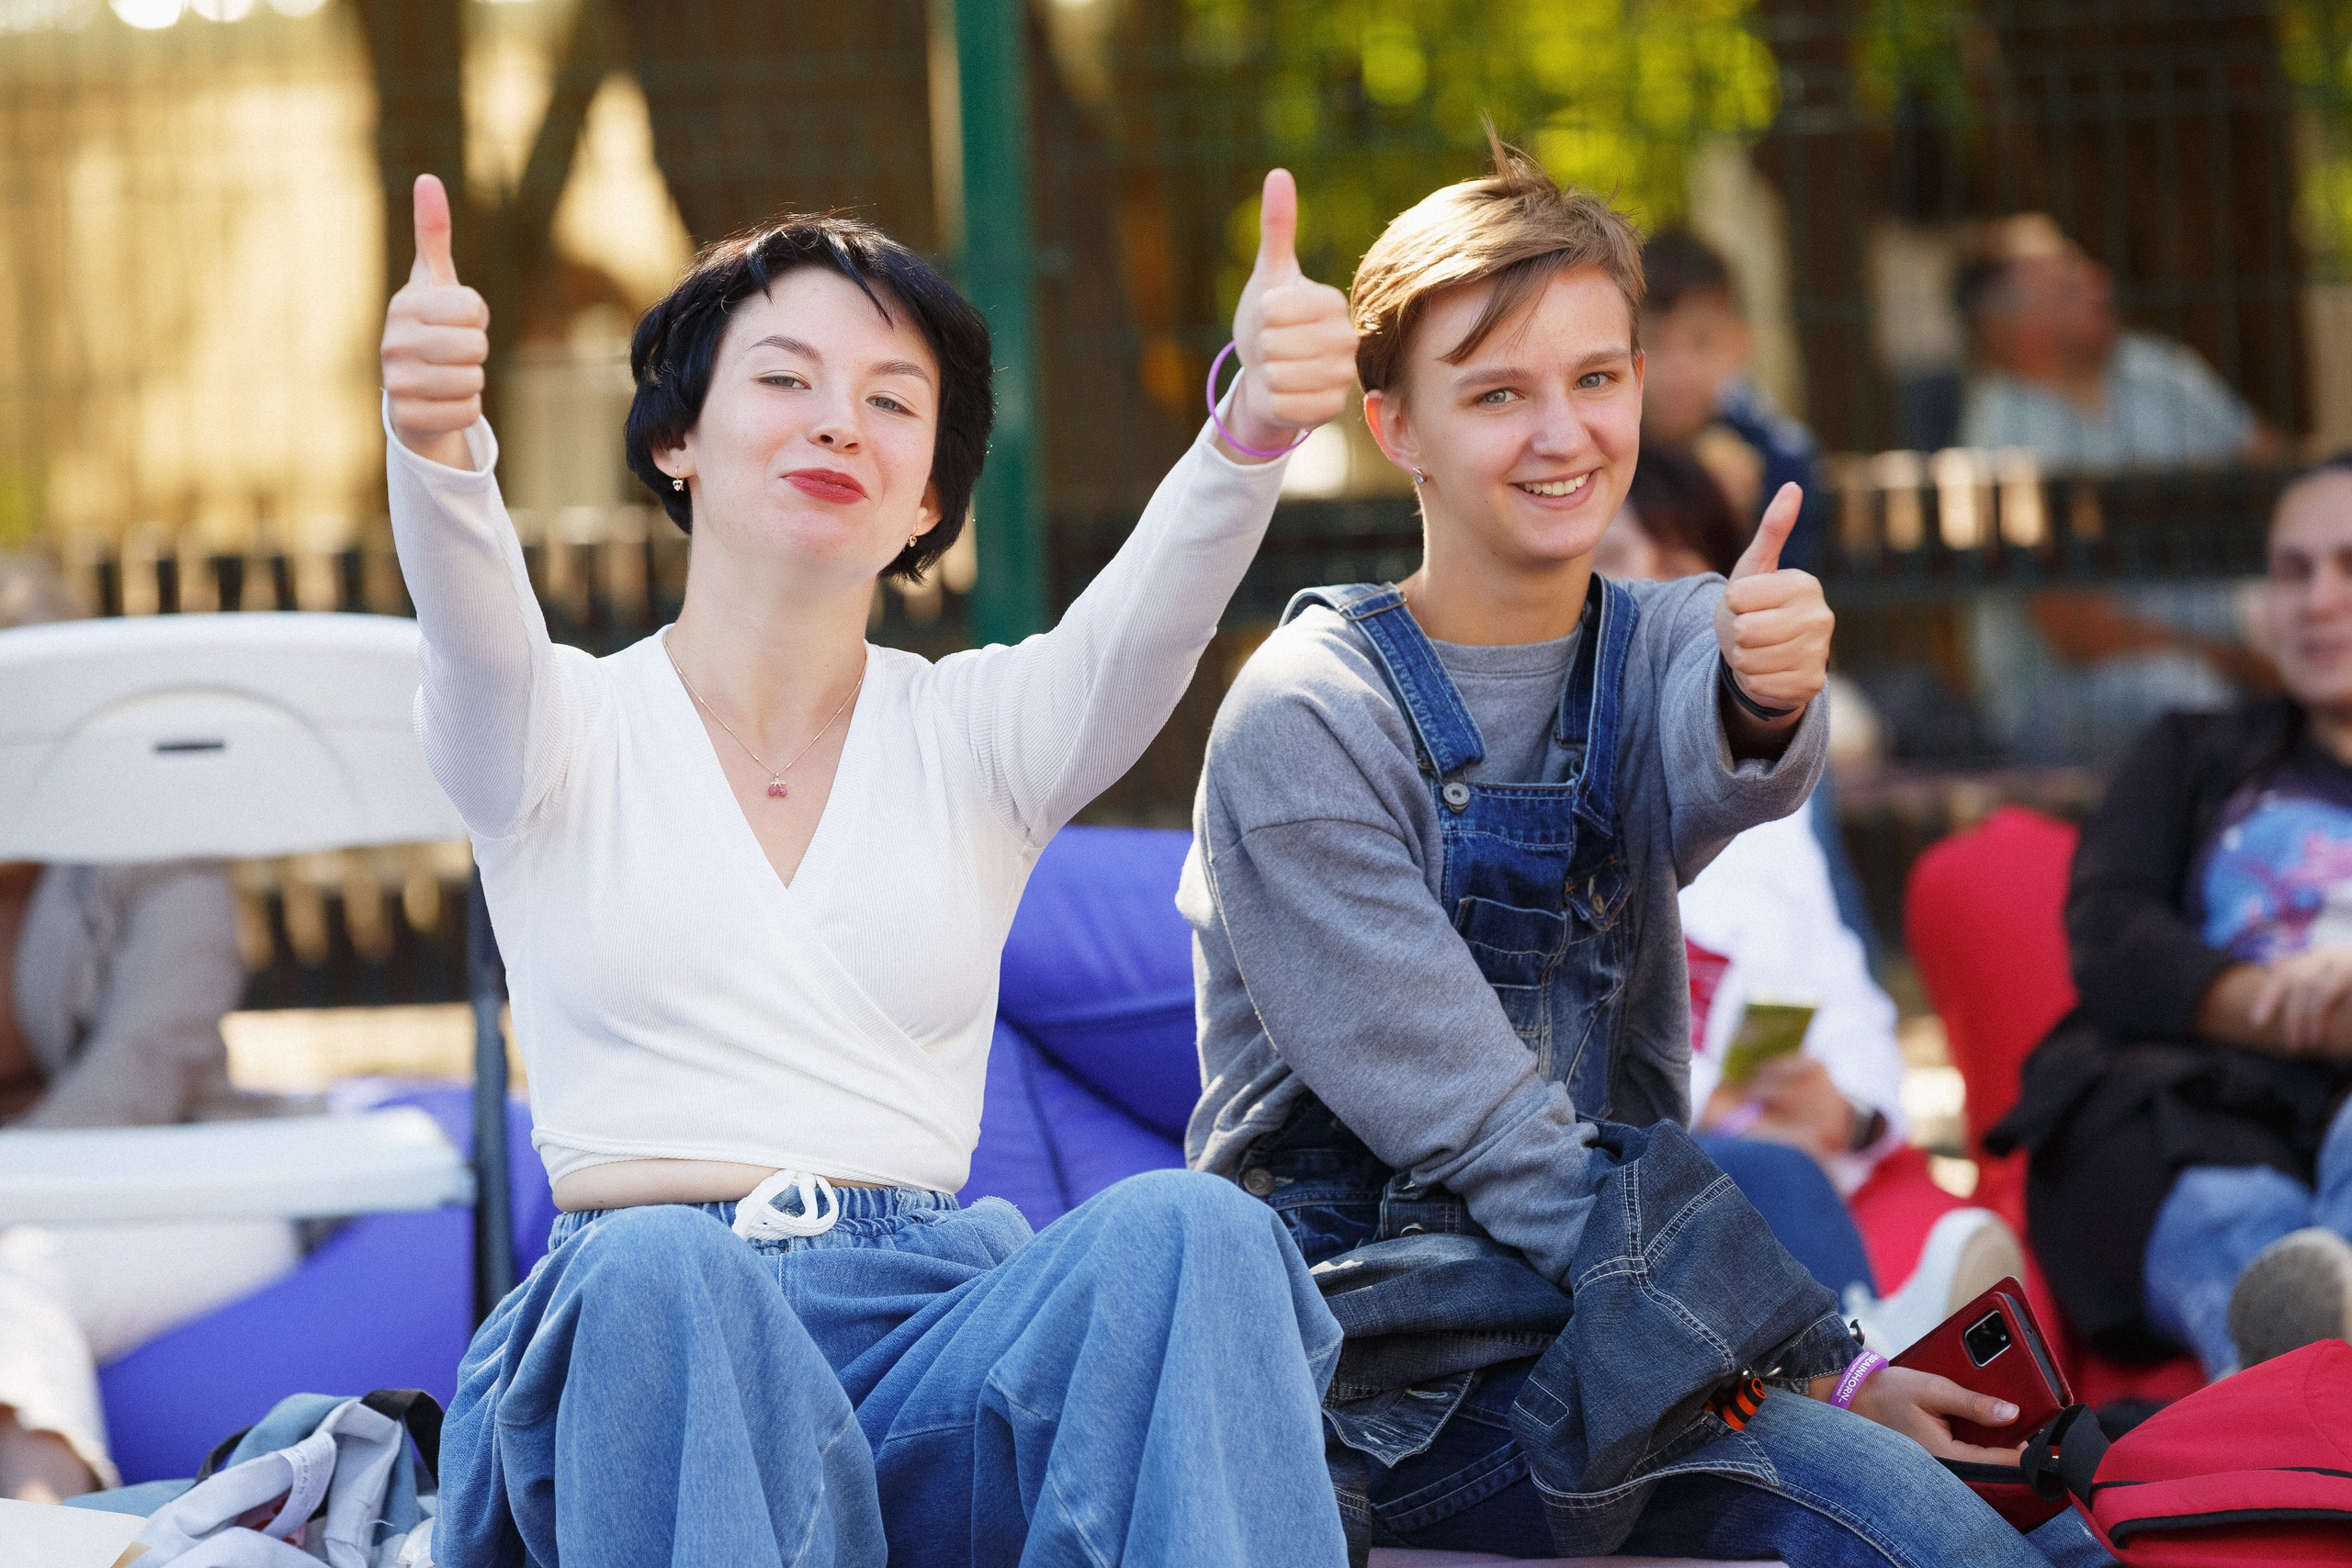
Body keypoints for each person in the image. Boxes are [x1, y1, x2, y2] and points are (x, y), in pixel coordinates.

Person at [380, 169, 1363, 1565]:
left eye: (893, 401)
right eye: (785, 379)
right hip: (645, 1353)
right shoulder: (551, 727)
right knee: (661, 1266)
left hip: (934, 1343)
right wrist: (438, 447)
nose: (840, 418)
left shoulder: (977, 733)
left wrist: (1253, 427)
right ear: (678, 443)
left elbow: (1147, 628)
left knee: (1188, 1231)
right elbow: (469, 627)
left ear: (925, 506)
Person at [1181, 143, 2112, 1565]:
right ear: (1395, 424)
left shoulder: (1666, 631)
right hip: (1377, 1378)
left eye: (1597, 379)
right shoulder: (1309, 715)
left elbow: (1710, 747)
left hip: (1610, 1310)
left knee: (2045, 1520)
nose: (1564, 435)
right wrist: (1815, 1363)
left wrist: (1764, 687)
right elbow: (1485, 1125)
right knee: (1892, 1520)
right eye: (1498, 394)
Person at [1595, 456, 2028, 1355]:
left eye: (1692, 573)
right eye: (1628, 565)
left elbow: (1853, 1010)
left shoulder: (1768, 800)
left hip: (1802, 1157)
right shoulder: (1543, 785)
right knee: (1777, 1179)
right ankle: (1864, 1360)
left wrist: (1846, 1108)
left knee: (1823, 1182)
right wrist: (1715, 1112)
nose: (1669, 602)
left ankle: (1881, 1365)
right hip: (1649, 1177)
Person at [1991, 456, 2352, 1382]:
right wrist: (2267, 1002)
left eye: (2348, 567)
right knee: (2220, 1211)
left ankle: (2298, 1391)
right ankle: (2291, 1353)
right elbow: (2110, 930)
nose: (2316, 599)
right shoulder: (2190, 751)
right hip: (2193, 1100)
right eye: (2292, 570)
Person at [0, 555, 300, 1502]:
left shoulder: (164, 852)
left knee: (8, 1278)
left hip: (188, 1184)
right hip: (27, 1202)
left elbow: (142, 1069)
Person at [1956, 214, 2278, 765]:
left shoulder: (2156, 371)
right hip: (2073, 698)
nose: (2097, 281)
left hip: (2231, 657)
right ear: (2006, 325)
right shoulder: (2001, 436)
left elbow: (2279, 480)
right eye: (2065, 282)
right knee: (2187, 700)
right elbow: (2077, 635)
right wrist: (2244, 663)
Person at [1637, 227, 1829, 571]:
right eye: (1655, 339)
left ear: (1739, 345)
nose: (1678, 367)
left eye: (1702, 342)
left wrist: (1740, 522)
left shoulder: (1780, 459)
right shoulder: (1602, 453)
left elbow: (1791, 584)